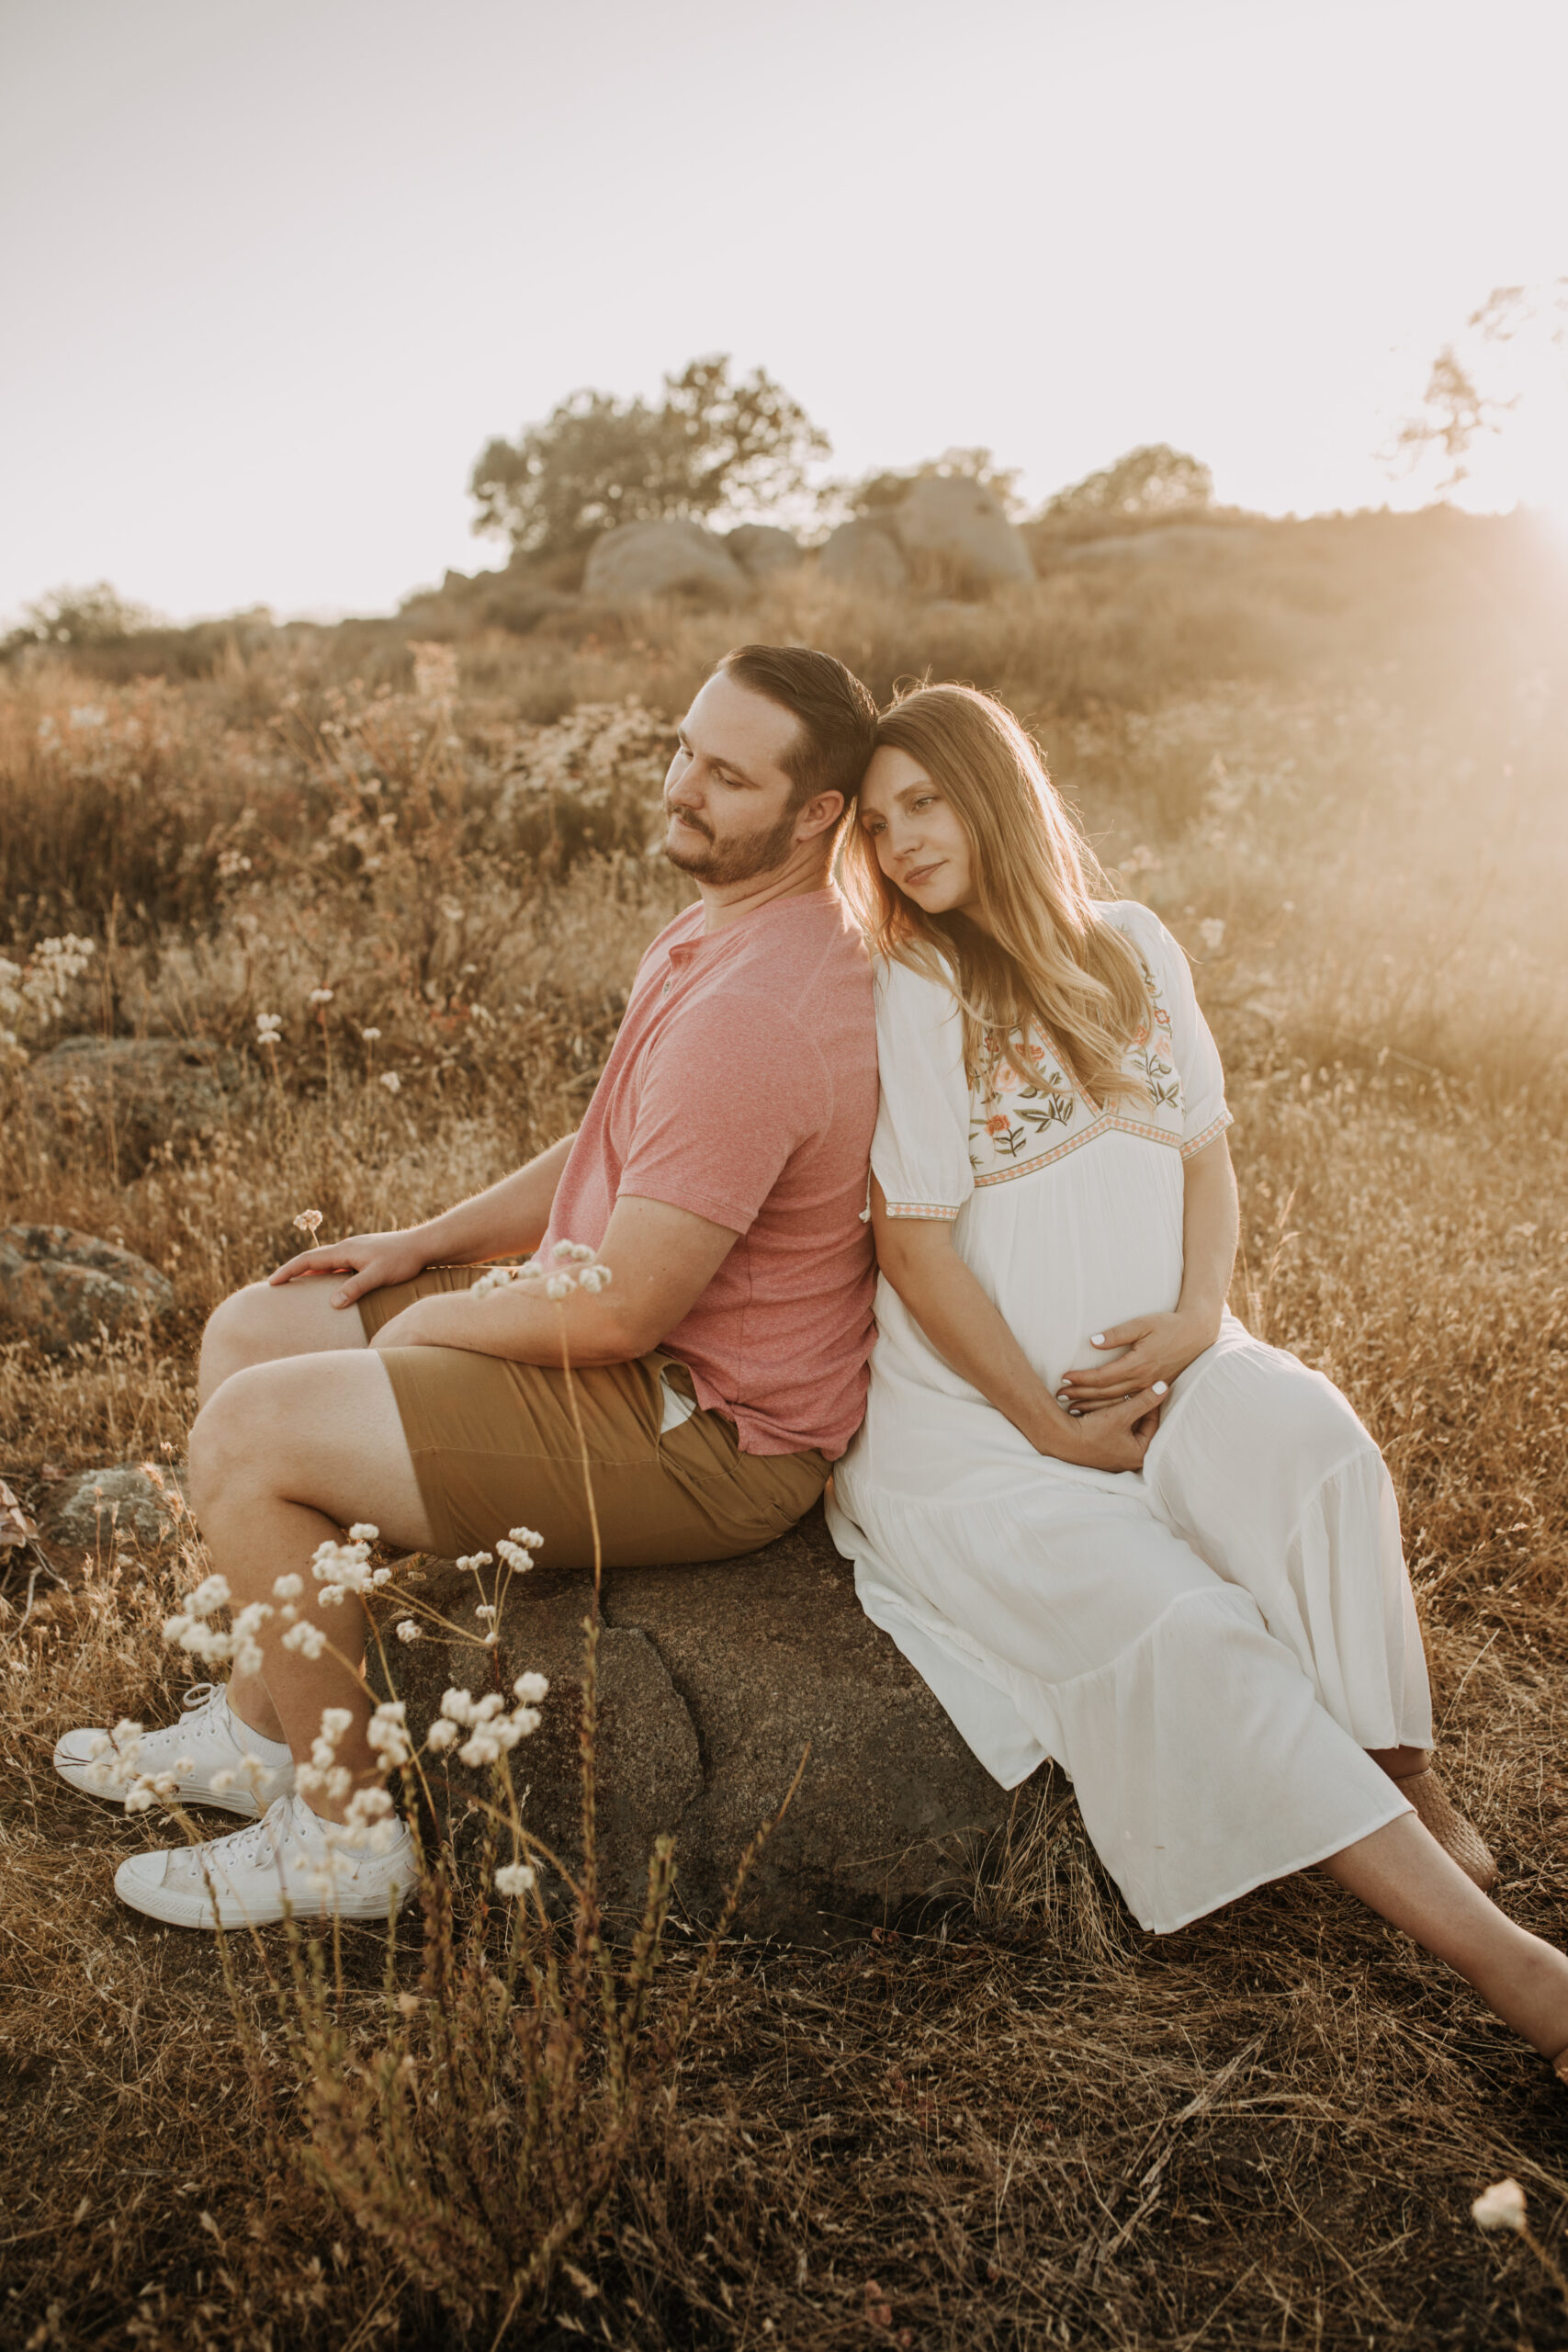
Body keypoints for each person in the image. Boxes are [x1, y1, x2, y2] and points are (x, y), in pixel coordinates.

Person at [55, 643, 881, 1929]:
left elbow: (623, 1313)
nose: (681, 786)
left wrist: (441, 1323)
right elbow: (620, 1136)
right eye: (681, 748)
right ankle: (266, 1734)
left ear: (816, 811)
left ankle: (345, 1842)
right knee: (268, 1323)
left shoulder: (764, 1008)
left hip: (705, 1426)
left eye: (724, 775)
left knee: (251, 1436)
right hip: (623, 1348)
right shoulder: (723, 922)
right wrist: (418, 1244)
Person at [827, 680, 1568, 2082]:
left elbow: (1207, 1149)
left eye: (925, 801)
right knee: (1185, 1620)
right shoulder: (916, 982)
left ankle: (1396, 1766)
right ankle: (1518, 1971)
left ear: (994, 790)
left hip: (1170, 1355)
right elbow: (914, 1250)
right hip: (978, 1428)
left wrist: (1201, 1313)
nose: (903, 840)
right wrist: (1049, 1426)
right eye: (876, 823)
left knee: (1315, 1445)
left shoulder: (1136, 943)